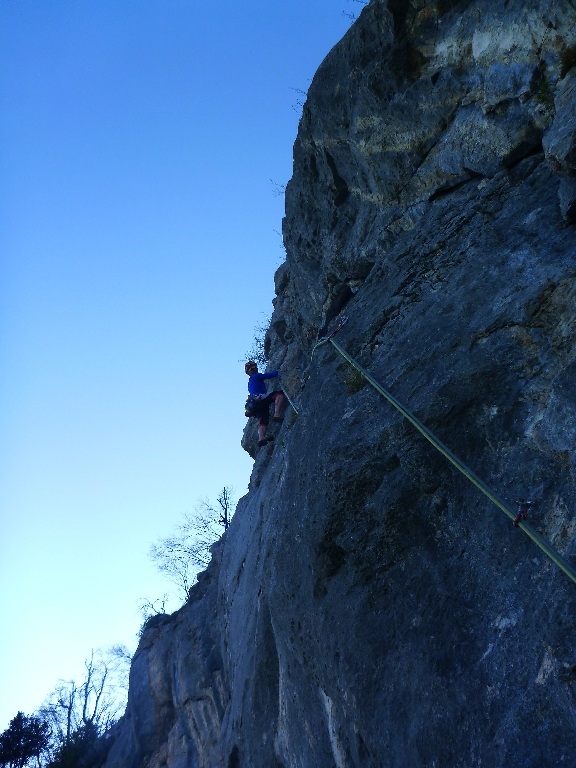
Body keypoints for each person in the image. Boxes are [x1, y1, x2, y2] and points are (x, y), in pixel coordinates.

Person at [245, 361, 285, 447]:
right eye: (253, 368)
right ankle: (277, 413)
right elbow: (269, 375)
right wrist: (277, 372)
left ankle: (261, 438)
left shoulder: (249, 382)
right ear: (249, 371)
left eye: (255, 367)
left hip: (255, 404)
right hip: (261, 397)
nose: (255, 369)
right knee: (279, 394)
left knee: (263, 422)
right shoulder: (256, 376)